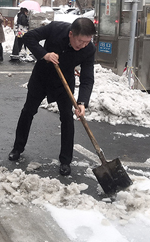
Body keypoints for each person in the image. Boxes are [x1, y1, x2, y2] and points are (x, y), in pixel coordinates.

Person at [8, 18, 96, 176]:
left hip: (64, 84)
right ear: (71, 34)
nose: (83, 45)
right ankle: (17, 148)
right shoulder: (56, 28)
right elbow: (28, 37)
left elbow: (87, 77)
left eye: (87, 42)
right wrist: (45, 54)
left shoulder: (89, 49)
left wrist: (82, 102)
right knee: (28, 112)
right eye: (80, 41)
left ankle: (65, 160)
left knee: (67, 118)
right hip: (41, 78)